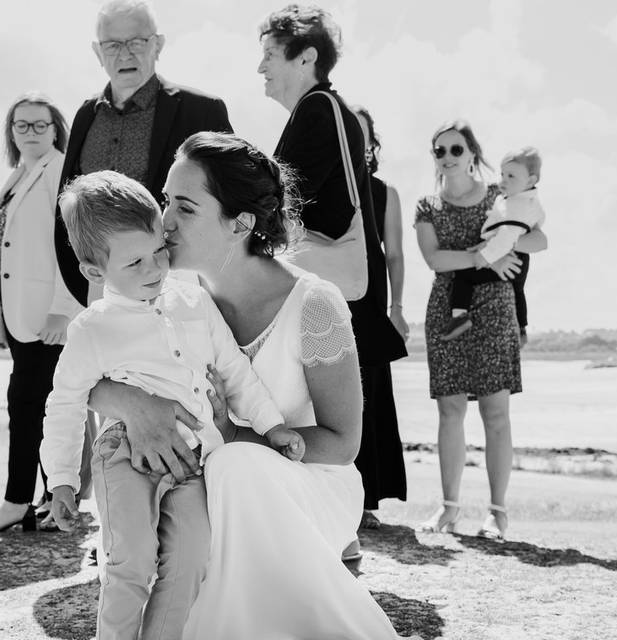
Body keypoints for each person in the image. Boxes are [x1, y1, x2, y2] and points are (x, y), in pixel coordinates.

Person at [90, 132, 416, 639]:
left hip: (307, 488)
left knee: (232, 466)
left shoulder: (314, 304)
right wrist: (133, 402)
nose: (164, 221)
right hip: (200, 490)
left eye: (185, 207)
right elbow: (83, 372)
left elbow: (343, 443)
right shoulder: (165, 296)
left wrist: (238, 436)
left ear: (239, 223)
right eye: (164, 201)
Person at [42, 171, 304, 640]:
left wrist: (271, 425)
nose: (154, 270)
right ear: (93, 272)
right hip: (123, 455)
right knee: (132, 560)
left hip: (193, 458)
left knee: (190, 558)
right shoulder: (92, 329)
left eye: (159, 251)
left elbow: (233, 368)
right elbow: (64, 404)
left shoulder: (195, 301)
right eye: (135, 262)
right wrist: (61, 480)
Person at [257, 5, 408, 533]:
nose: (262, 70)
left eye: (271, 56)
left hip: (339, 283)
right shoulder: (330, 110)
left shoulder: (317, 109)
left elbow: (295, 202)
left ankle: (339, 516)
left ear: (307, 57)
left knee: (331, 408)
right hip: (351, 281)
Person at [414, 120, 547, 541]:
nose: (448, 157)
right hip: (445, 312)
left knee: (496, 413)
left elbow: (539, 240)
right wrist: (483, 256)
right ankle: (449, 508)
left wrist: (503, 246)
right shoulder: (426, 207)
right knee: (450, 411)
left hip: (494, 308)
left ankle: (497, 513)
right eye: (440, 150)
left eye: (456, 149)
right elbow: (435, 261)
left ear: (472, 152)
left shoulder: (498, 195)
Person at [53, 0, 233, 307]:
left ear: (158, 45)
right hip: (99, 290)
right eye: (113, 45)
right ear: (98, 53)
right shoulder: (85, 115)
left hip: (177, 284)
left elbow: (230, 197)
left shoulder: (202, 111)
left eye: (137, 42)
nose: (125, 54)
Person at [0, 92, 83, 534]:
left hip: (47, 315)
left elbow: (71, 244)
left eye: (39, 125)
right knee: (37, 405)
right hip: (18, 312)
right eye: (21, 125)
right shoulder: (18, 176)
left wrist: (63, 310)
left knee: (34, 405)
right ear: (10, 132)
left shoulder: (60, 171)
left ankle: (21, 501)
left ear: (56, 130)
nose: (29, 132)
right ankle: (50, 501)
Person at [349, 105, 409, 528]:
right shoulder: (324, 185)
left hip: (371, 300)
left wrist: (397, 308)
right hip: (331, 296)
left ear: (371, 143)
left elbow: (397, 255)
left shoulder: (385, 191)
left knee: (371, 393)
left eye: (362, 133)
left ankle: (367, 503)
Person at [442, 146, 545, 341]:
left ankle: (459, 316)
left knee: (463, 276)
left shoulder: (518, 205)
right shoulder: (516, 199)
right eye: (503, 174)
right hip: (517, 256)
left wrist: (484, 256)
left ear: (530, 180)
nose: (504, 180)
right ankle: (522, 329)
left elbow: (508, 235)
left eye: (511, 176)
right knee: (517, 290)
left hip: (506, 254)